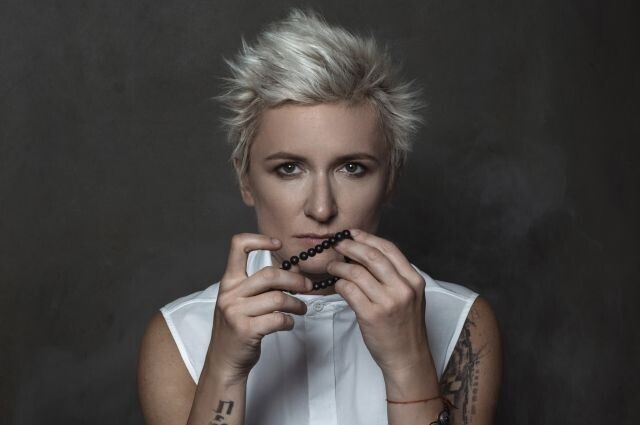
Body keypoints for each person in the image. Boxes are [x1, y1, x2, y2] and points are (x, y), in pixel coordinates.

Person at [137, 9, 502, 425]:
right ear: (245, 180)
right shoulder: (179, 337)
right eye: (289, 168)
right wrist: (224, 372)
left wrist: (409, 367)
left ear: (391, 180)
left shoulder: (460, 324)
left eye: (352, 168)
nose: (322, 208)